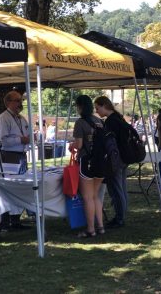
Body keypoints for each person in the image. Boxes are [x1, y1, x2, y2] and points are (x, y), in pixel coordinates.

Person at [68, 95, 105, 238]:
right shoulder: (99, 121)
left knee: (88, 197)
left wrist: (72, 145)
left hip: (87, 162)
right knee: (95, 196)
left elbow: (79, 144)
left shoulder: (80, 123)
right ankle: (100, 226)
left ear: (80, 106)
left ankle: (90, 229)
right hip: (102, 162)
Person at [0, 90, 30, 230]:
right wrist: (20, 139)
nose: (20, 103)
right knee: (9, 188)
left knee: (20, 187)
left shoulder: (21, 118)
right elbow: (2, 141)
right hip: (8, 156)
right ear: (8, 102)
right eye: (17, 100)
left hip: (21, 156)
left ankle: (16, 220)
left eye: (21, 100)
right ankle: (6, 221)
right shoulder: (4, 118)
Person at [93, 96, 127, 228]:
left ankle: (119, 218)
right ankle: (122, 215)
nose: (97, 111)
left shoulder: (111, 122)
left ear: (103, 106)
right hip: (123, 158)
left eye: (97, 108)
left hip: (115, 160)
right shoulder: (118, 118)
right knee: (121, 188)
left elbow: (109, 143)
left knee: (116, 190)